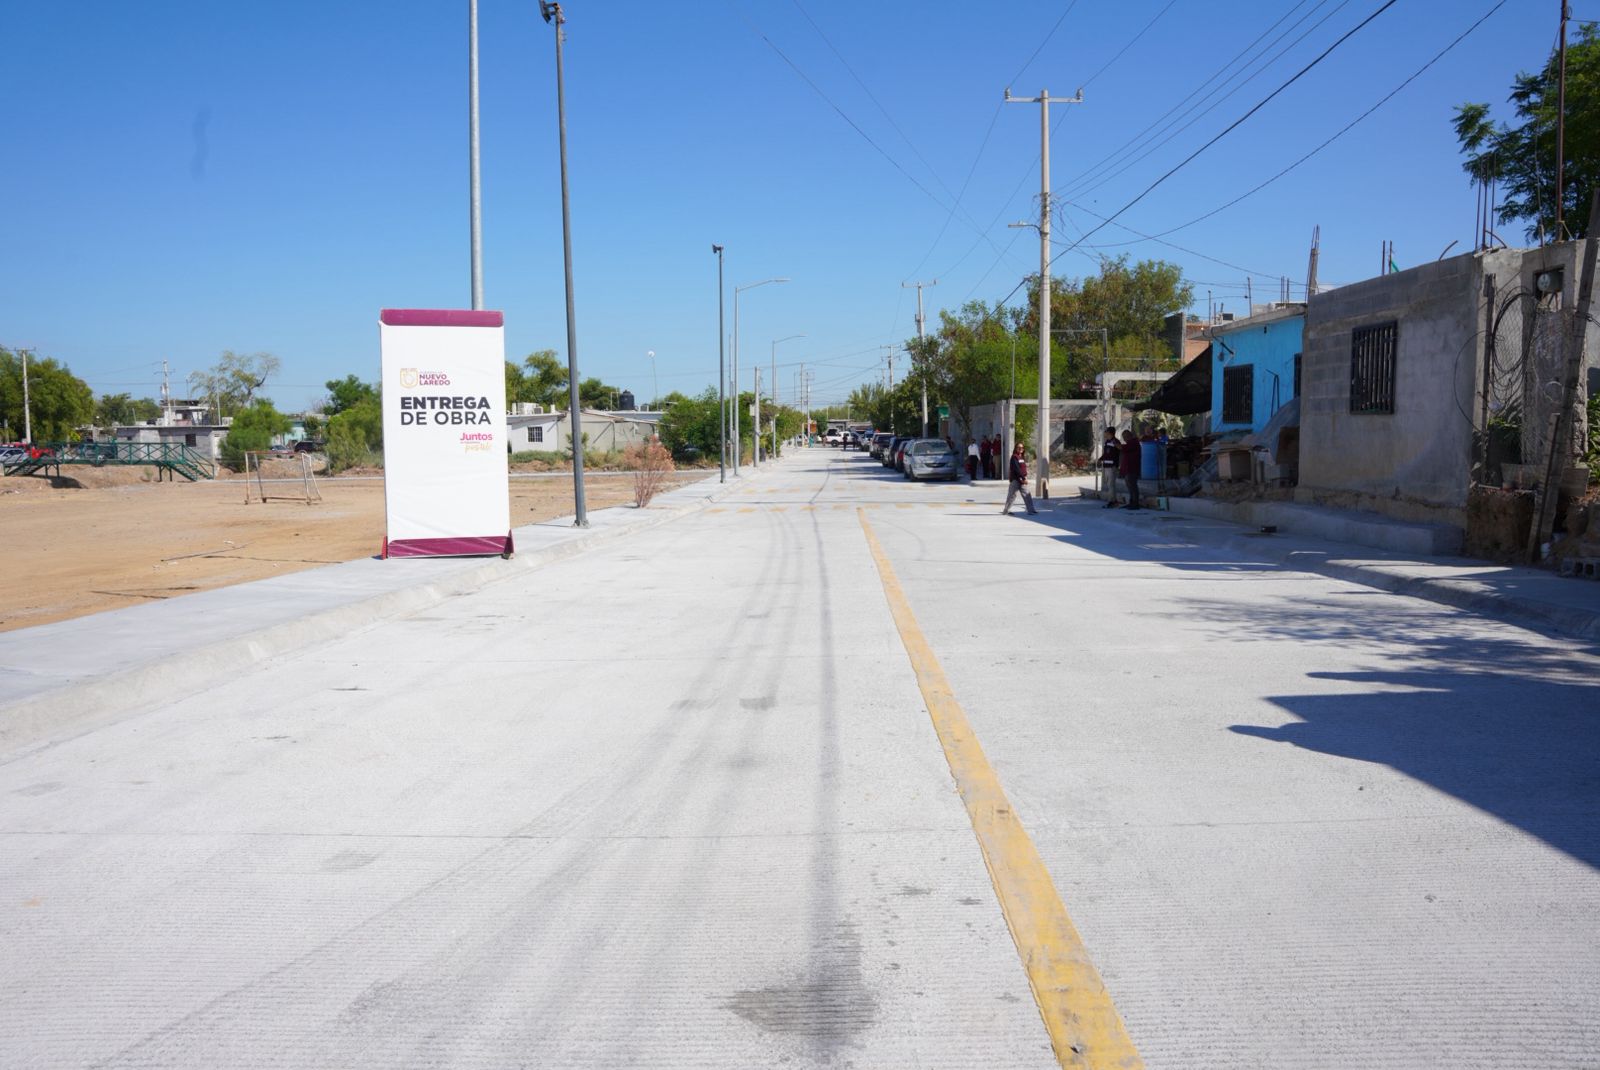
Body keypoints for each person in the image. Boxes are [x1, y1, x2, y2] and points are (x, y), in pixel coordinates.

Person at [1003, 443, 1037, 515]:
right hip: (1016, 479)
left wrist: (1024, 477)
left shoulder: (1021, 457)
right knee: (1012, 496)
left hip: (1022, 479)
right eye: (1019, 447)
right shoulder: (1014, 457)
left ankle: (1031, 510)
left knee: (1027, 494)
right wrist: (1023, 478)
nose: (1020, 449)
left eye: (1022, 447)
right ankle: (1006, 511)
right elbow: (1016, 469)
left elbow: (1023, 468)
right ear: (1016, 448)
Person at [1119, 429, 1142, 511]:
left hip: (1132, 468)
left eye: (1125, 437)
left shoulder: (1133, 442)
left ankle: (1135, 503)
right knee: (1130, 486)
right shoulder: (1130, 443)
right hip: (1128, 468)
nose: (1124, 439)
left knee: (1133, 486)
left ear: (1129, 436)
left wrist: (1116, 445)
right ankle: (1131, 502)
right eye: (1123, 437)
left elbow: (1123, 448)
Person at [1099, 427, 1121, 508]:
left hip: (1112, 466)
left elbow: (1120, 449)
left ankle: (1113, 501)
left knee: (1111, 484)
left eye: (1105, 432)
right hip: (1106, 465)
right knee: (1108, 484)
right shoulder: (1107, 442)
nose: (1104, 433)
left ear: (1110, 433)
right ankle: (1112, 500)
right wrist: (1101, 459)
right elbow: (1106, 453)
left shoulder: (1115, 441)